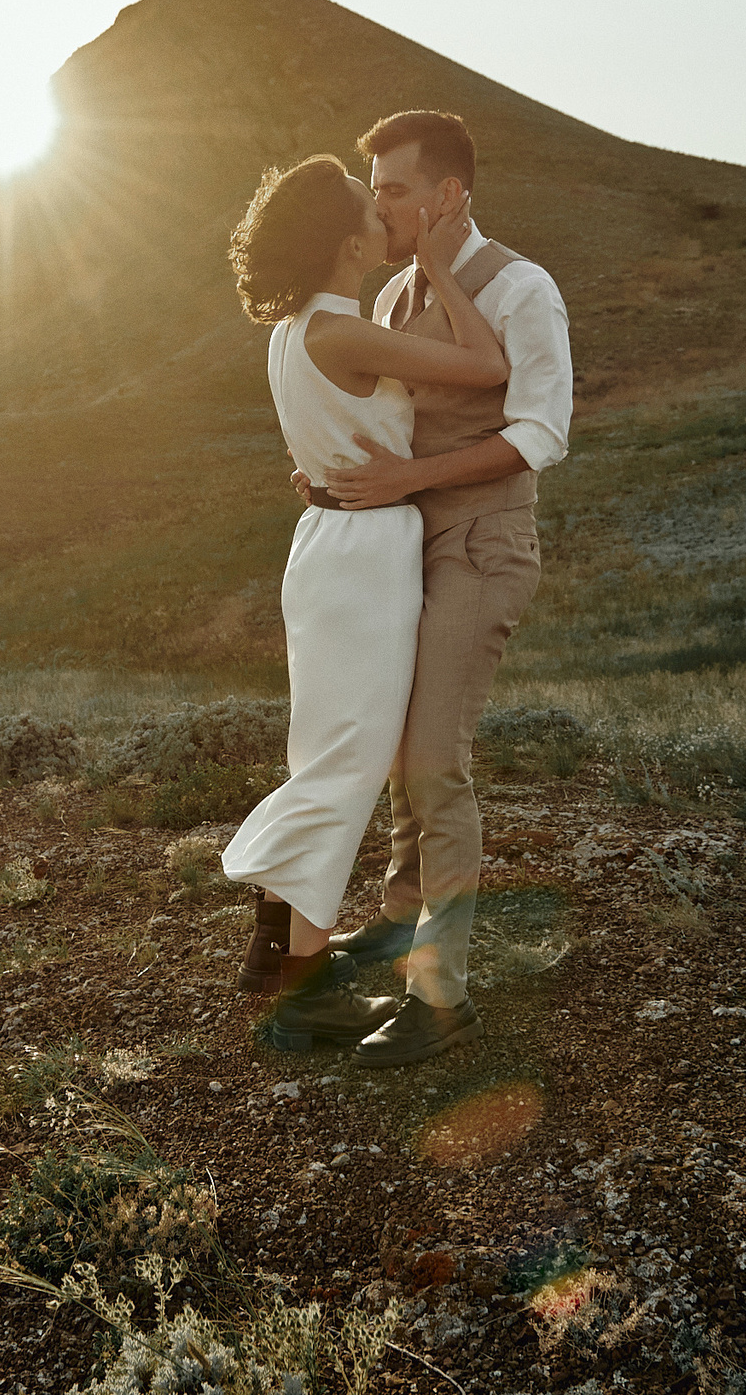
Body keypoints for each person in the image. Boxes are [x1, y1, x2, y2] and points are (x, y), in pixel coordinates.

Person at [217, 152, 507, 1054]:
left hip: (326, 546)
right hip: (366, 559)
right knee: (346, 765)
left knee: (325, 753)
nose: (385, 214)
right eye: (369, 207)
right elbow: (486, 362)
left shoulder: (293, 330)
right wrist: (443, 271)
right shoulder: (343, 332)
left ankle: (275, 945)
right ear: (350, 245)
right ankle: (303, 989)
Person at [305, 110, 573, 1068]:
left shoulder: (524, 289)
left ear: (448, 194)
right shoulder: (390, 299)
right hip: (406, 543)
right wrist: (336, 475)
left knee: (433, 763)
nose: (378, 208)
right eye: (376, 190)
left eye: (394, 190)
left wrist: (409, 481)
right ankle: (397, 925)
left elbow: (541, 432)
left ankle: (440, 994)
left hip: (484, 543)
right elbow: (396, 423)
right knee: (397, 751)